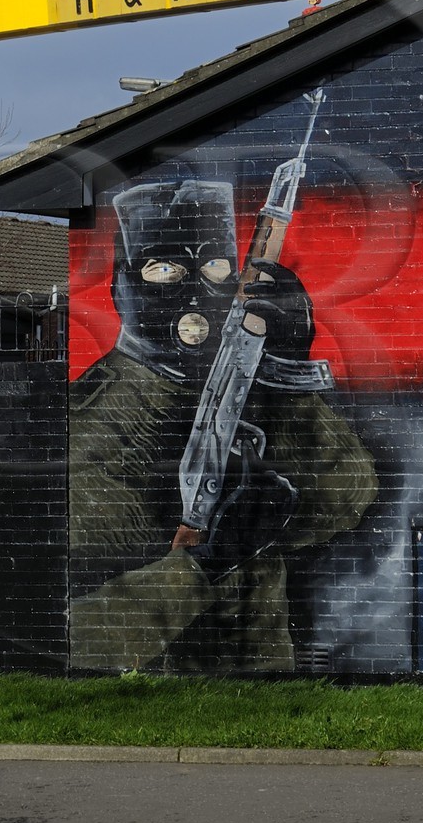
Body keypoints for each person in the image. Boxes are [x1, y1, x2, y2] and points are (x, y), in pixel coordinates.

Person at [69, 179, 377, 672]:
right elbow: (81, 629)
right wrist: (205, 561)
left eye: (215, 266)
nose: (196, 288)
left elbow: (346, 499)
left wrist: (291, 365)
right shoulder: (94, 417)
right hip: (159, 695)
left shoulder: (251, 387)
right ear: (121, 284)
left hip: (263, 681)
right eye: (164, 269)